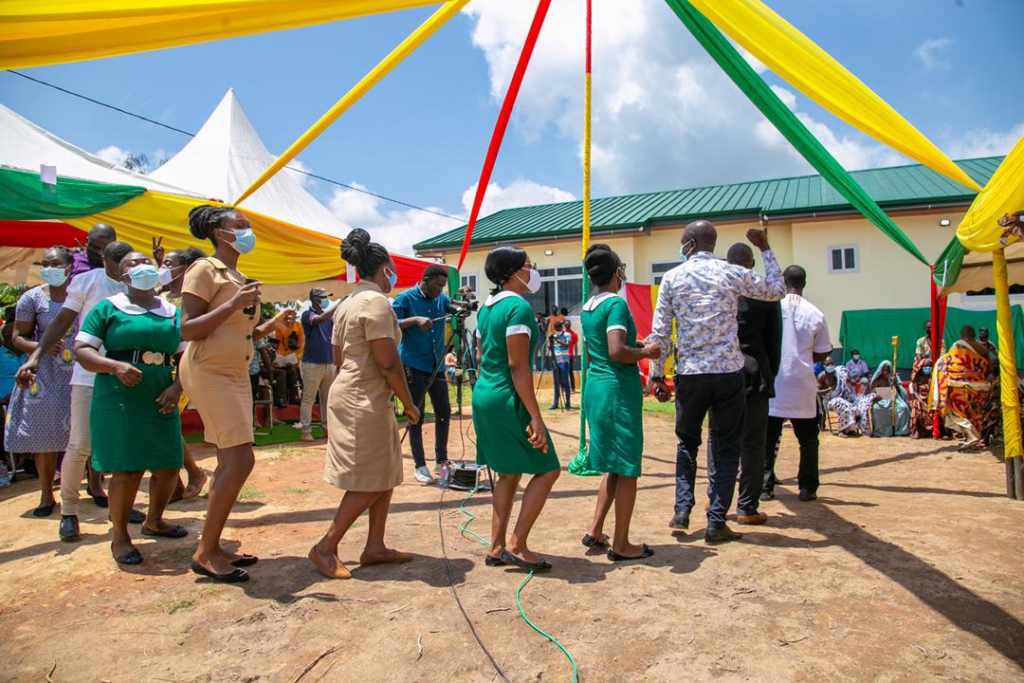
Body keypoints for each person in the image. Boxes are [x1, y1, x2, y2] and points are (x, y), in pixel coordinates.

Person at [648, 220, 785, 544]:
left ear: (691, 244)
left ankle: (682, 509)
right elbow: (777, 290)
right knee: (726, 449)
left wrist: (657, 375)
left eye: (682, 241)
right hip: (727, 374)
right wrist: (765, 248)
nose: (680, 246)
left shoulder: (672, 278)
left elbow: (661, 334)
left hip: (691, 374)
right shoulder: (731, 272)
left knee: (687, 444)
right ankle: (716, 520)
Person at [180, 205, 293, 582]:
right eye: (239, 226)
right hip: (208, 370)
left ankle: (212, 546)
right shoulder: (203, 270)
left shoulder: (238, 275)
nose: (247, 231)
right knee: (240, 461)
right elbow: (188, 328)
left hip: (234, 372)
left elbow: (240, 333)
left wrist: (270, 325)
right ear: (219, 233)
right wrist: (232, 303)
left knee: (232, 462)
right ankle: (205, 551)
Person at [309, 229, 420, 580]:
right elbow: (388, 362)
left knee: (384, 473)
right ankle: (325, 547)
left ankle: (375, 546)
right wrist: (410, 404)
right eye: (392, 270)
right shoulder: (374, 303)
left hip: (358, 392)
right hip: (364, 397)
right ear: (385, 268)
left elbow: (339, 355)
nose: (393, 276)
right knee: (369, 480)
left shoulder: (347, 303)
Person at [16, 240, 136, 542]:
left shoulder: (138, 287)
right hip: (87, 375)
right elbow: (60, 322)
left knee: (121, 444)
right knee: (79, 444)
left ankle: (120, 507)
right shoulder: (84, 283)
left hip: (125, 377)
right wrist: (34, 358)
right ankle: (69, 511)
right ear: (101, 257)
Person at [74, 252, 188, 565]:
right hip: (119, 396)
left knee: (167, 465)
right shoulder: (108, 308)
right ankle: (120, 537)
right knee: (128, 468)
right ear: (123, 276)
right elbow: (82, 350)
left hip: (161, 396)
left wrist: (178, 386)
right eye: (132, 265)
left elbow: (185, 357)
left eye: (145, 262)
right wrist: (114, 366)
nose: (141, 268)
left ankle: (154, 521)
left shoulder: (172, 312)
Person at [473, 245, 560, 571]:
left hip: (485, 394)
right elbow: (518, 366)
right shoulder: (518, 308)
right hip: (507, 398)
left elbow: (482, 358)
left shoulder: (486, 308)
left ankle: (496, 547)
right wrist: (535, 417)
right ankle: (517, 544)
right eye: (528, 265)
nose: (532, 270)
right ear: (512, 272)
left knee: (508, 473)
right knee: (548, 469)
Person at [579, 244, 660, 561]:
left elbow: (603, 345)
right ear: (617, 272)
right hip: (617, 390)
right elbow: (615, 350)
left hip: (597, 387)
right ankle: (622, 544)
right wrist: (645, 353)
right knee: (627, 467)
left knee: (613, 465)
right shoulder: (615, 305)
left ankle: (597, 530)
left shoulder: (589, 307)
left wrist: (634, 345)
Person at [706, 243, 782, 524]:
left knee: (718, 437)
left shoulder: (717, 293)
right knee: (752, 442)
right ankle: (747, 505)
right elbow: (775, 341)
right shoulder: (763, 293)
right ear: (750, 264)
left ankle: (715, 498)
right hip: (754, 373)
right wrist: (769, 373)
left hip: (721, 372)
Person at [5, 246, 76, 517]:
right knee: (45, 435)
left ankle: (95, 486)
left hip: (79, 369)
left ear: (70, 266)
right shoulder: (31, 298)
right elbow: (17, 337)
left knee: (83, 432)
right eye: (45, 263)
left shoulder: (80, 295)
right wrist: (41, 346)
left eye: (56, 263)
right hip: (44, 374)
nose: (50, 268)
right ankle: (47, 493)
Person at [763, 265, 832, 502]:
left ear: (783, 281)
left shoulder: (771, 309)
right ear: (804, 283)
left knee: (768, 438)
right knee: (808, 440)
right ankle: (807, 487)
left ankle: (765, 486)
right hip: (803, 385)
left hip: (774, 383)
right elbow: (823, 353)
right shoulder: (815, 313)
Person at [157, 245, 209, 502]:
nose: (163, 269)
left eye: (169, 264)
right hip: (159, 368)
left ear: (185, 268)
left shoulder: (191, 299)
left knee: (166, 424)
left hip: (182, 369)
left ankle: (194, 473)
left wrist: (179, 383)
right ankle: (176, 483)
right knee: (164, 424)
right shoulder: (159, 297)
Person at [392, 265, 451, 484]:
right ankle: (420, 465)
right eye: (437, 286)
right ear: (425, 280)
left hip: (437, 366)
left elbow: (451, 307)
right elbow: (392, 322)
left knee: (444, 411)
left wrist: (461, 304)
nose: (439, 291)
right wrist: (414, 320)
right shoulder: (405, 299)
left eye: (442, 287)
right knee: (416, 414)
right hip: (413, 365)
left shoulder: (441, 300)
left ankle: (441, 459)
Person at [932, 326, 992, 451]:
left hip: (959, 386)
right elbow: (990, 367)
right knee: (973, 414)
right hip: (979, 388)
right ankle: (974, 438)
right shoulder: (983, 349)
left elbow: (949, 363)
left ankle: (970, 437)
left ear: (961, 335)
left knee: (957, 412)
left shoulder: (957, 346)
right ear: (974, 334)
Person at [299, 288, 338, 442]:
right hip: (312, 363)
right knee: (308, 398)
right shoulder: (307, 315)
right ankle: (306, 431)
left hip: (329, 362)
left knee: (328, 399)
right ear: (315, 298)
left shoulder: (329, 318)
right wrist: (340, 304)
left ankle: (327, 428)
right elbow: (319, 320)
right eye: (324, 297)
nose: (326, 300)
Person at [822, 364, 874, 437]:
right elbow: (816, 390)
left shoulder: (840, 372)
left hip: (846, 398)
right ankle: (842, 430)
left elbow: (853, 382)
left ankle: (852, 429)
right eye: (828, 364)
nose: (830, 365)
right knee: (841, 403)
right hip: (830, 400)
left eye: (832, 363)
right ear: (824, 365)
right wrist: (827, 390)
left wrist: (850, 380)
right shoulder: (822, 376)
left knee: (862, 403)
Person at [867, 361, 910, 437]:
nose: (886, 372)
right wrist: (876, 396)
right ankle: (882, 432)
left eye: (888, 371)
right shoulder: (877, 380)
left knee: (903, 408)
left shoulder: (894, 378)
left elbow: (901, 391)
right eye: (884, 370)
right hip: (881, 400)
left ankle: (900, 431)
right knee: (876, 409)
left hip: (895, 399)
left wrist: (895, 384)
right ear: (881, 370)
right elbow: (872, 393)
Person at [908, 359, 939, 439]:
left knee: (938, 407)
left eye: (930, 366)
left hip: (932, 398)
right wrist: (921, 400)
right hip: (920, 398)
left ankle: (940, 431)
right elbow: (915, 391)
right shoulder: (917, 377)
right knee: (916, 405)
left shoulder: (934, 377)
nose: (928, 368)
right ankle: (916, 431)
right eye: (926, 366)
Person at [550, 321, 572, 410]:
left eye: (558, 329)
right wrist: (551, 341)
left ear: (561, 328)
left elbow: (567, 345)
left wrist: (558, 340)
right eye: (556, 329)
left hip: (564, 361)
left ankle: (568, 403)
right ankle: (555, 403)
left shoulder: (567, 334)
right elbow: (550, 348)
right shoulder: (553, 335)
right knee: (556, 383)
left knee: (565, 382)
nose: (557, 330)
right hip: (556, 360)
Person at [564, 318, 579, 392]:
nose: (567, 325)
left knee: (570, 372)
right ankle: (564, 387)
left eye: (568, 324)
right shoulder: (562, 334)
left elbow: (575, 347)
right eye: (565, 324)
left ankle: (572, 388)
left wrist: (575, 357)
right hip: (562, 355)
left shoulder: (574, 334)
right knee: (563, 372)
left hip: (570, 356)